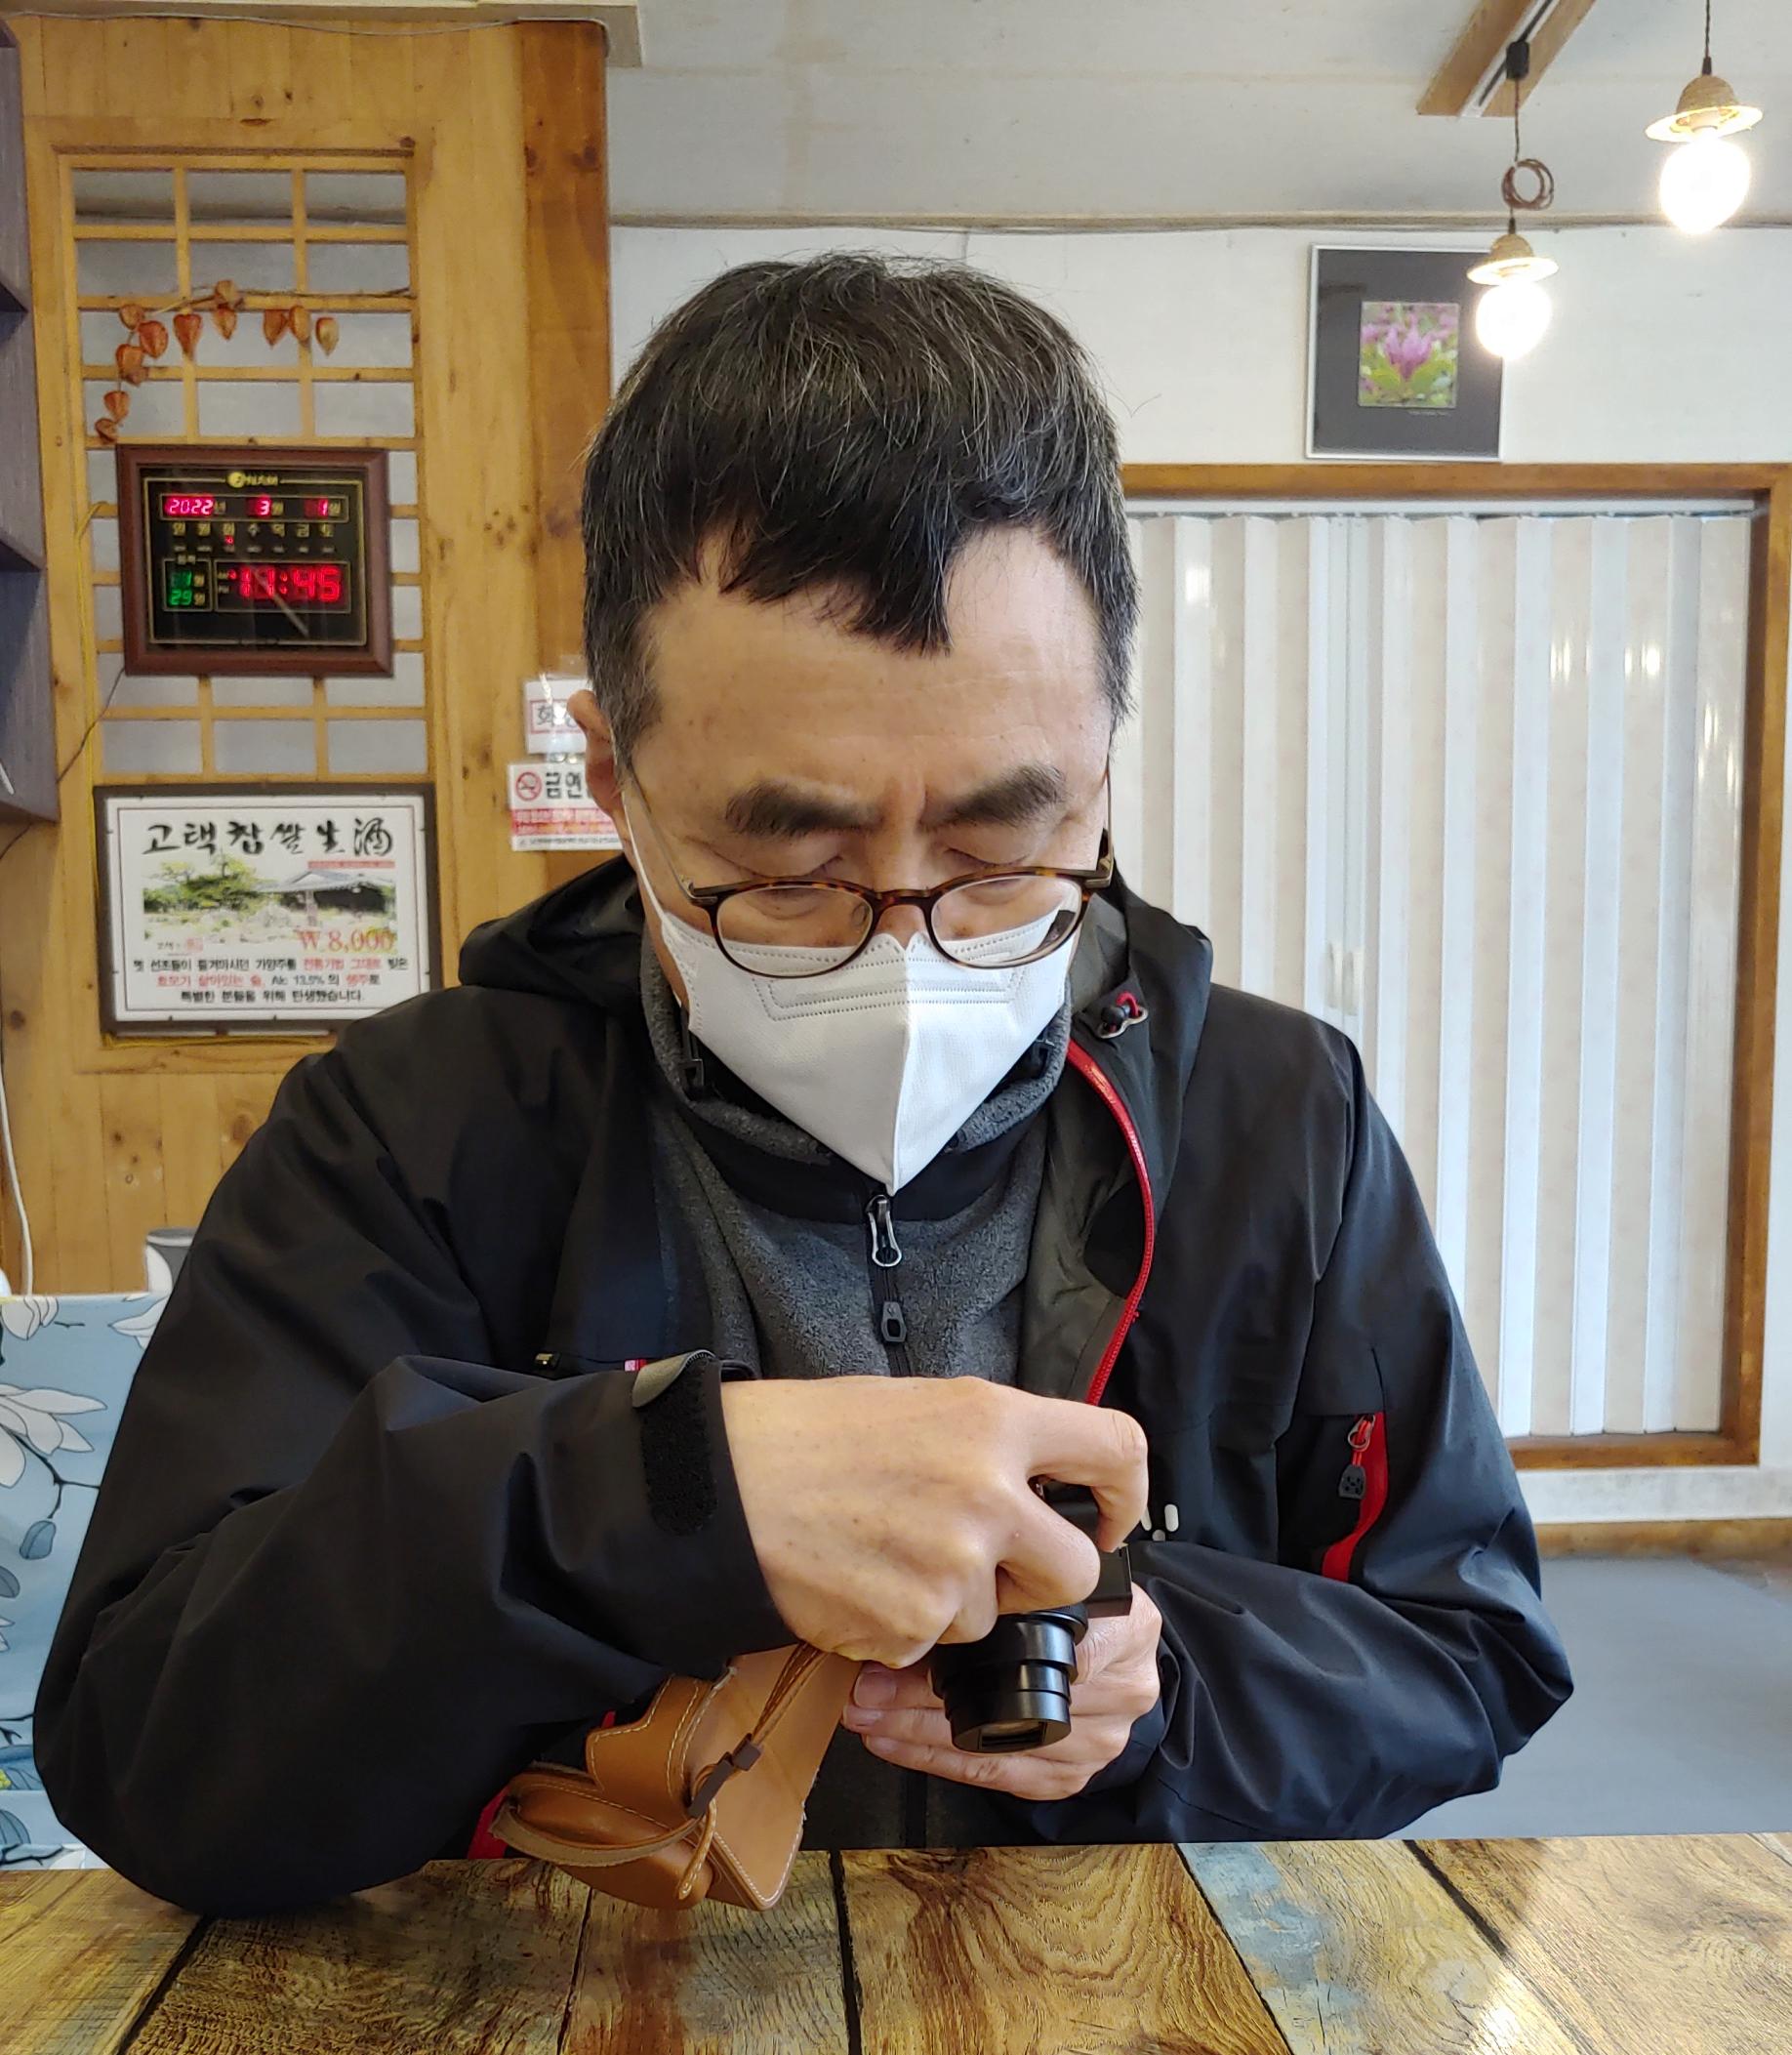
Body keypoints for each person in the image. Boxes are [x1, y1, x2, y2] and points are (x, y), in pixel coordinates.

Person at [38, 255, 1569, 1913]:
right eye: (786, 873)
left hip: (1132, 2014)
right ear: (616, 778)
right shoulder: (417, 1129)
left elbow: (1470, 1658)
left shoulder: (1279, 1118)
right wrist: (655, 1493)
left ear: (1103, 767)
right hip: (578, 2018)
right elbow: (152, 1748)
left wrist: (1166, 1682)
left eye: (1004, 851)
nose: (906, 950)